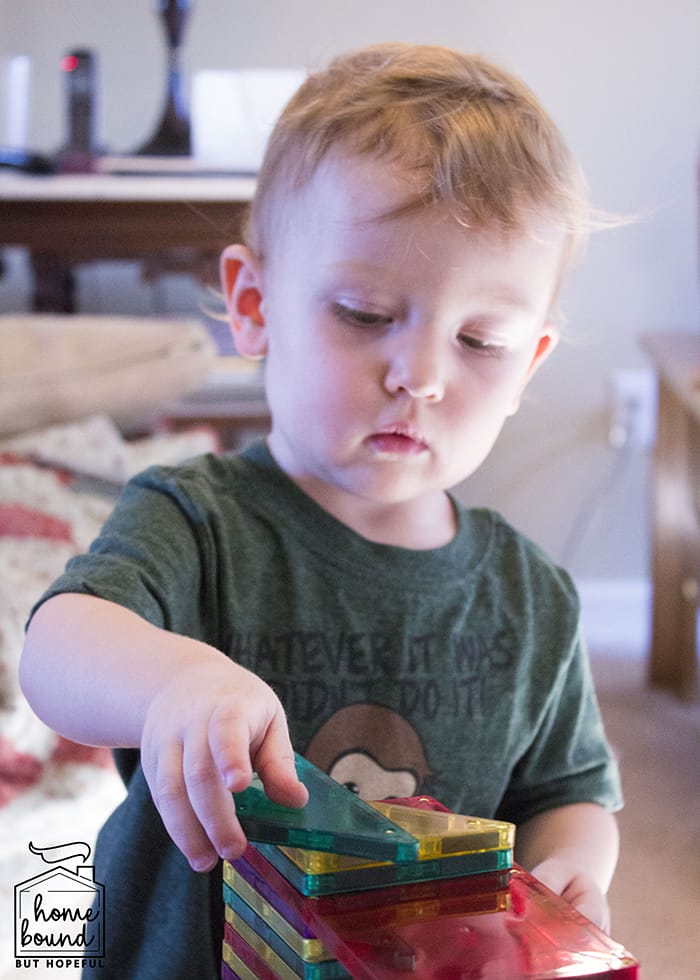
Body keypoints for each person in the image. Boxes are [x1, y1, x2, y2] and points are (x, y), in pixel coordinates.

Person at [20, 42, 622, 979]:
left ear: (528, 366)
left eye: (480, 339)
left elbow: (570, 791)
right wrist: (175, 681)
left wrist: (573, 865)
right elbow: (56, 650)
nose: (419, 375)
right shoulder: (198, 520)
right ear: (254, 305)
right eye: (365, 313)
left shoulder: (532, 594)